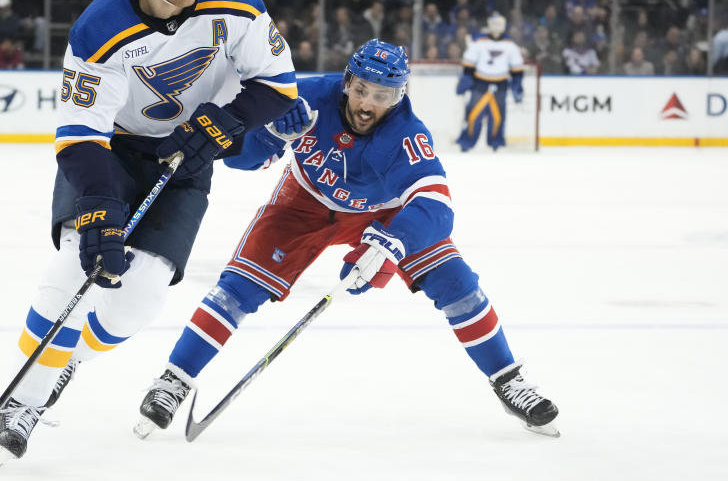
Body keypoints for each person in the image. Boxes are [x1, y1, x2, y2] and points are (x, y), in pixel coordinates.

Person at [0, 0, 298, 468]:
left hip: (191, 150)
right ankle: (23, 402)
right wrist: (101, 205)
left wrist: (225, 122)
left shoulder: (236, 0)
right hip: (115, 155)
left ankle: (69, 360)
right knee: (74, 267)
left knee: (142, 295)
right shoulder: (98, 29)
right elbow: (81, 134)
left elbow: (277, 86)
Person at [132, 39, 560, 440]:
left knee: (457, 285)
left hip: (383, 215)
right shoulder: (303, 97)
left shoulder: (406, 135)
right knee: (236, 290)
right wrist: (270, 136)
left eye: (383, 96)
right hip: (304, 203)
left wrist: (391, 244)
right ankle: (174, 380)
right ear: (347, 81)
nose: (368, 104)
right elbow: (240, 161)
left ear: (400, 95)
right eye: (362, 90)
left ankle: (508, 379)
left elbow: (437, 206)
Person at [455, 13, 524, 151]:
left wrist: (517, 84)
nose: (497, 27)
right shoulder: (479, 41)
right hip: (480, 84)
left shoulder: (510, 45)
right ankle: (466, 143)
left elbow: (517, 67)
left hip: (501, 85)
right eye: (494, 23)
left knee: (498, 117)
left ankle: (496, 143)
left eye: (500, 24)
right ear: (489, 24)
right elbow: (469, 62)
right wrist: (466, 77)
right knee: (473, 115)